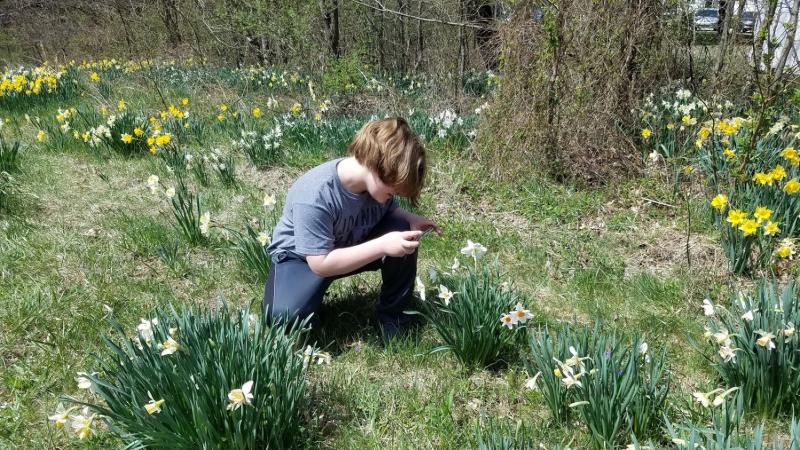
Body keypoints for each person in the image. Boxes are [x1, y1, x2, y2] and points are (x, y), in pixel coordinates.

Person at [263, 117, 442, 339]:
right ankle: (307, 305)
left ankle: (394, 318)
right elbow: (320, 264)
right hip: (302, 259)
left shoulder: (374, 183)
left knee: (404, 232)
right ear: (376, 166)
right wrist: (383, 245)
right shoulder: (315, 195)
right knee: (284, 319)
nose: (393, 196)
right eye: (392, 191)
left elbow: (386, 208)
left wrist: (409, 218)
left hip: (348, 242)